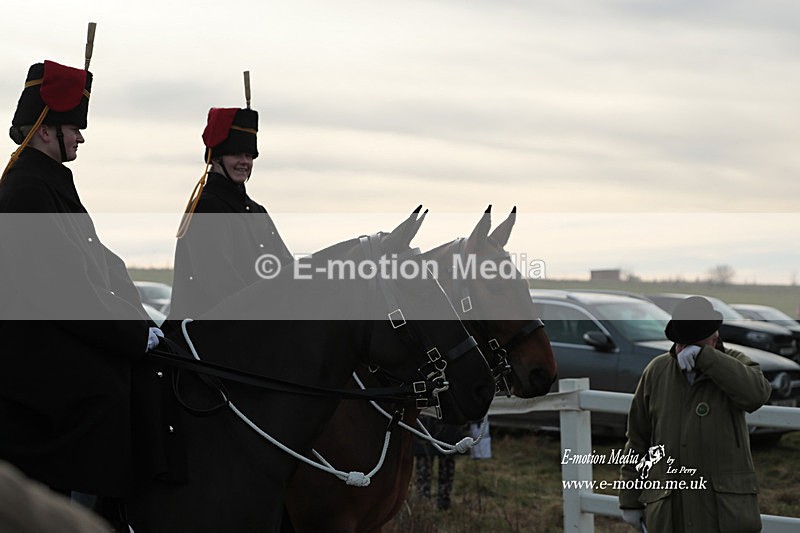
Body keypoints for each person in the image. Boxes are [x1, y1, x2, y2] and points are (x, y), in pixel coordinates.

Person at [0, 59, 170, 529]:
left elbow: (102, 264)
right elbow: (62, 289)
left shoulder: (51, 181)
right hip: (30, 350)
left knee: (145, 374)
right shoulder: (28, 189)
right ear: (45, 129)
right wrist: (134, 337)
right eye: (74, 127)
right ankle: (85, 516)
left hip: (55, 331)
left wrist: (140, 317)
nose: (80, 137)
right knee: (106, 392)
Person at [618, 296, 771, 533]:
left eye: (693, 344)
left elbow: (756, 395)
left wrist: (707, 359)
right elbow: (638, 440)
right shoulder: (657, 371)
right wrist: (630, 498)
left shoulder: (736, 363)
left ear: (714, 338)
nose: (684, 350)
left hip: (724, 513)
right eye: (681, 343)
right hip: (671, 512)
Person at [167, 97, 292, 324]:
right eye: (236, 154)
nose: (244, 162)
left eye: (249, 156)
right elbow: (220, 284)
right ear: (215, 158)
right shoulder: (206, 208)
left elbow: (285, 269)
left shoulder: (257, 211)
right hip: (208, 337)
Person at [413, 415, 468, 510]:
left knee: (445, 462)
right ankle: (423, 504)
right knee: (424, 463)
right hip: (427, 418)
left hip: (447, 419)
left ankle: (443, 502)